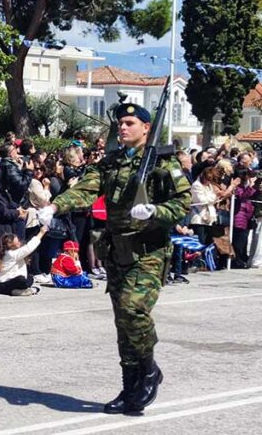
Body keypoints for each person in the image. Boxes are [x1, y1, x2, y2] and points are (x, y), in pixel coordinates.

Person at [40, 102, 191, 415]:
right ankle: (130, 386)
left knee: (134, 310)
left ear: (146, 128)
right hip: (117, 250)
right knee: (123, 322)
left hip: (148, 251)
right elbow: (86, 188)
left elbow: (183, 203)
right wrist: (55, 206)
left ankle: (149, 369)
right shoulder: (111, 162)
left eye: (130, 123)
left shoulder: (163, 163)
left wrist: (155, 211)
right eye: (121, 123)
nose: (123, 128)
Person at [0, 228, 44, 296]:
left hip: (0, 286)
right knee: (22, 280)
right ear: (10, 245)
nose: (19, 243)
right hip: (6, 285)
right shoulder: (12, 254)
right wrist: (41, 233)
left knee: (29, 278)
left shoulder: (5, 252)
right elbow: (29, 247)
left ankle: (16, 291)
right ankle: (23, 291)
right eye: (17, 242)